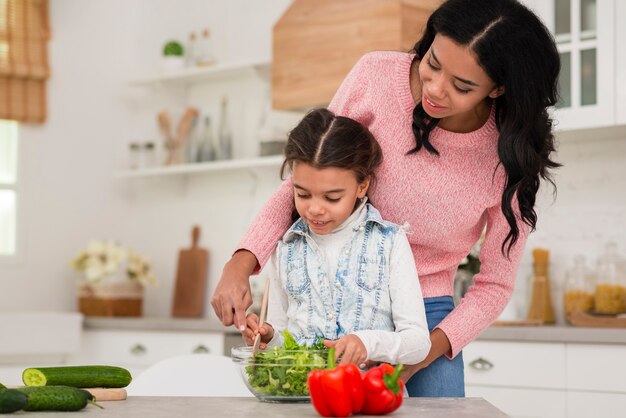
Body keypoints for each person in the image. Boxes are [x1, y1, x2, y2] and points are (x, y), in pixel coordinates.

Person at [211, 0, 560, 397]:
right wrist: (240, 265)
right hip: (337, 303)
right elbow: (310, 176)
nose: (434, 88)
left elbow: (495, 285)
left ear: (498, 89)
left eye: (462, 86)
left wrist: (421, 356)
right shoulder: (376, 76)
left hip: (427, 317)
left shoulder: (509, 157)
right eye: (432, 62)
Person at [241, 108, 431, 366]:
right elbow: (284, 343)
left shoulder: (390, 242)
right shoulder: (285, 249)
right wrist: (269, 336)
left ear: (362, 185)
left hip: (370, 399)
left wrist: (367, 343)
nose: (314, 209)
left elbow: (418, 343)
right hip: (304, 401)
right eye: (302, 194)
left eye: (332, 198)